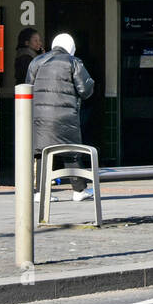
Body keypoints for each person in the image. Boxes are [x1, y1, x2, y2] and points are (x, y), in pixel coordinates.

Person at [28, 33, 96, 201]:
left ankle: (40, 193)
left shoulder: (36, 61)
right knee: (70, 152)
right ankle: (79, 191)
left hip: (39, 116)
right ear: (71, 47)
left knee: (41, 153)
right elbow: (85, 90)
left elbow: (28, 87)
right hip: (64, 116)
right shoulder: (73, 62)